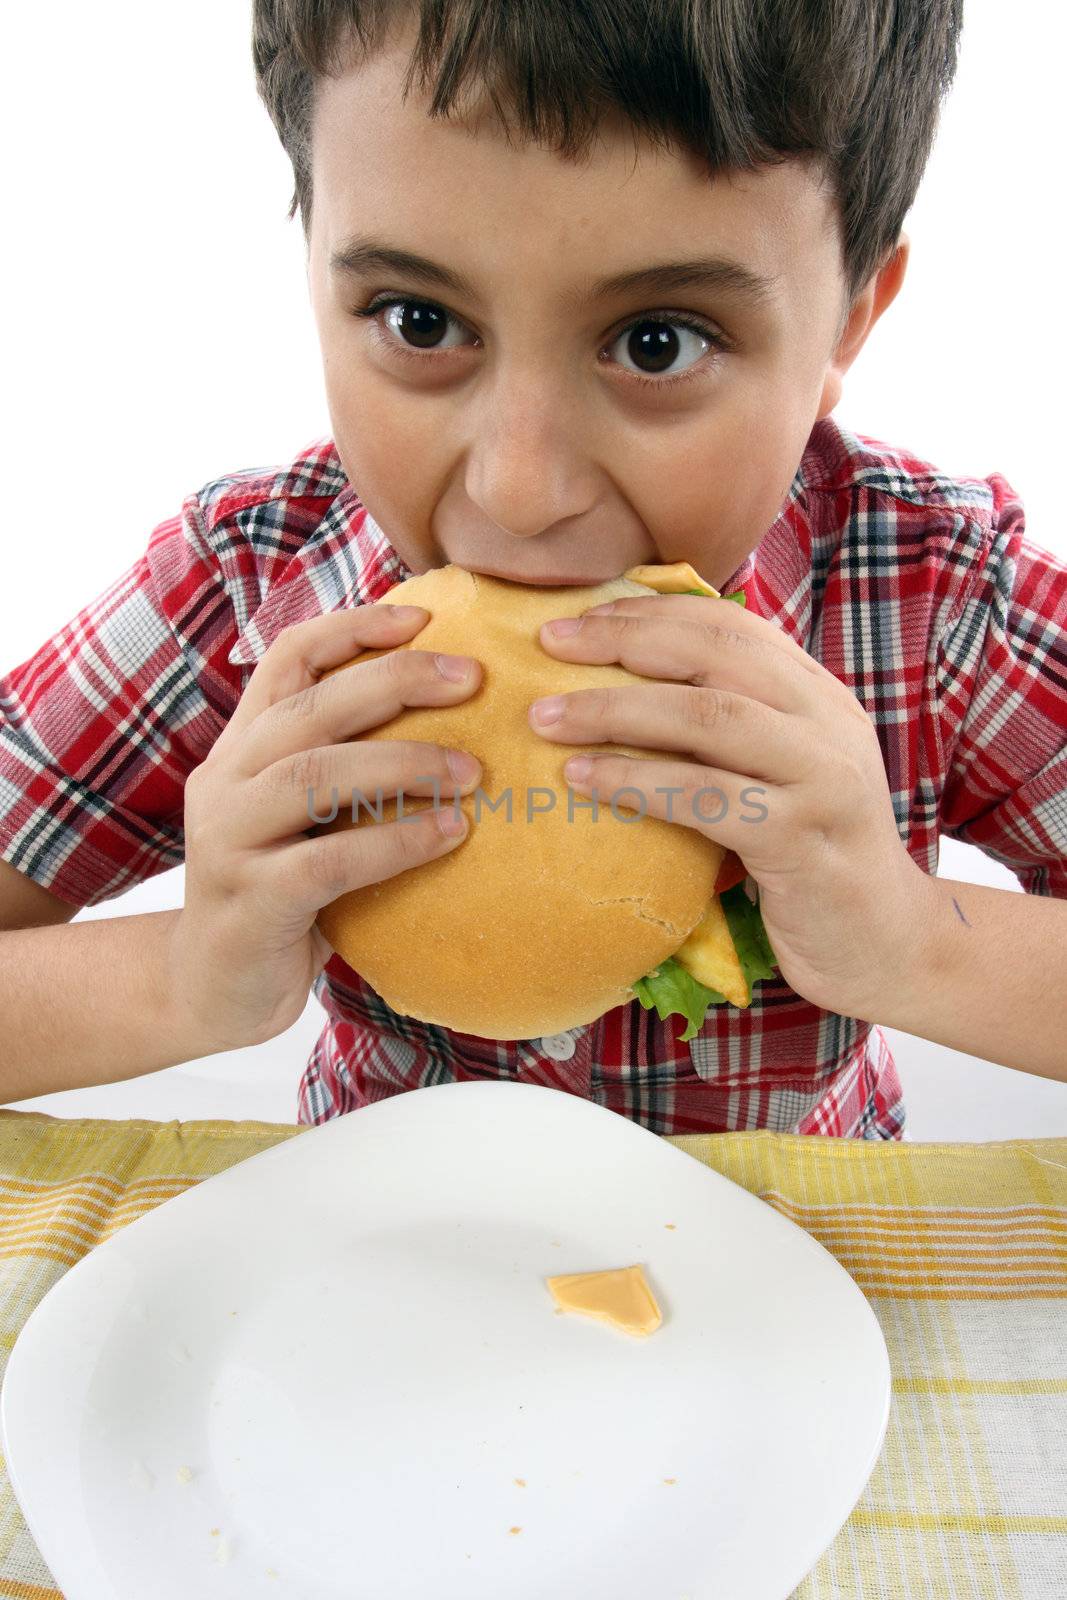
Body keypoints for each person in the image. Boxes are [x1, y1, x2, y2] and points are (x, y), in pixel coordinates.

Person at [1, 1, 1064, 1135]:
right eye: (417, 321)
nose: (519, 490)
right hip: (366, 1262)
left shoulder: (937, 596)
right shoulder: (245, 584)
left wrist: (914, 944)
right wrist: (173, 976)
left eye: (659, 341)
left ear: (847, 322)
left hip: (802, 1259)